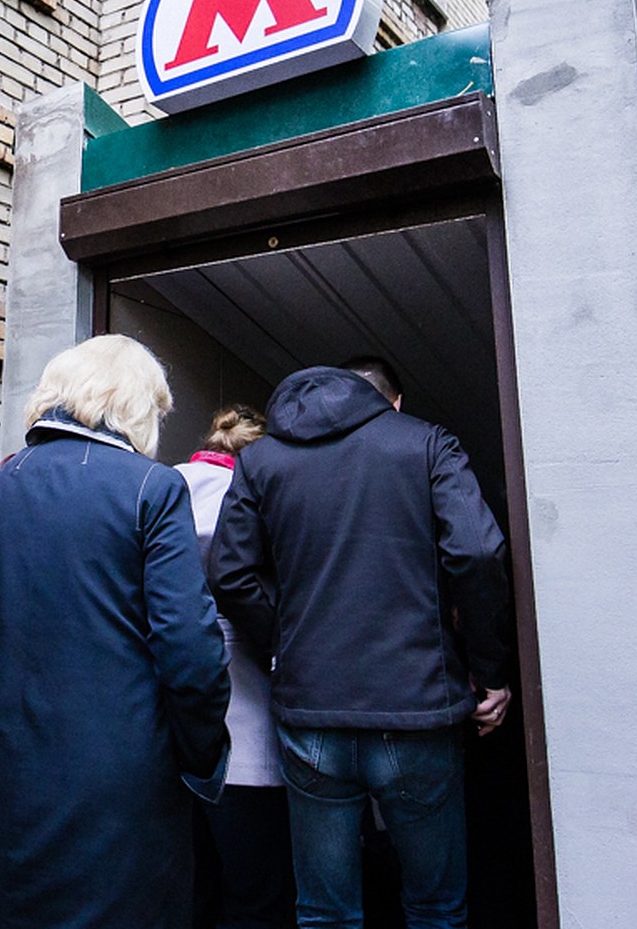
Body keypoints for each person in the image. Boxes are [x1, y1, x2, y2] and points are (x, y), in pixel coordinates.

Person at [0, 334, 231, 929]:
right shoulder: (153, 487)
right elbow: (190, 650)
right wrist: (203, 758)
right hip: (116, 786)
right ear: (136, 406)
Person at [208, 356, 512, 929]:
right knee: (435, 909)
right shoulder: (425, 443)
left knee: (325, 913)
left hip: (311, 712)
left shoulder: (260, 461)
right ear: (391, 402)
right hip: (419, 711)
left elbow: (229, 575)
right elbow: (476, 553)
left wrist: (285, 639)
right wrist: (488, 670)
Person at [177, 405, 297, 929]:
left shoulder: (168, 486)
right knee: (258, 892)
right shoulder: (258, 496)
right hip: (249, 715)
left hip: (178, 727)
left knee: (192, 886)